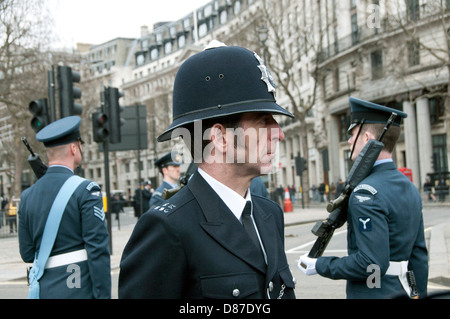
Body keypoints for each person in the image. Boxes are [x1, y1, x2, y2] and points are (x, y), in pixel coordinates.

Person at [119, 42, 296, 299]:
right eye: (263, 121)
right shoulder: (167, 228)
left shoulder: (269, 214)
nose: (278, 132)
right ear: (221, 138)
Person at [299, 97, 428, 299]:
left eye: (352, 134)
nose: (349, 140)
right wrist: (419, 294)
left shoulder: (366, 192)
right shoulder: (409, 187)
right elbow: (419, 256)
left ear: (367, 138)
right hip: (404, 291)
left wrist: (320, 265)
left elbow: (371, 263)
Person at [18, 116, 111, 299]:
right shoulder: (86, 190)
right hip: (78, 289)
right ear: (73, 148)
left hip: (44, 291)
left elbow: (27, 253)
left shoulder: (27, 196)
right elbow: (97, 250)